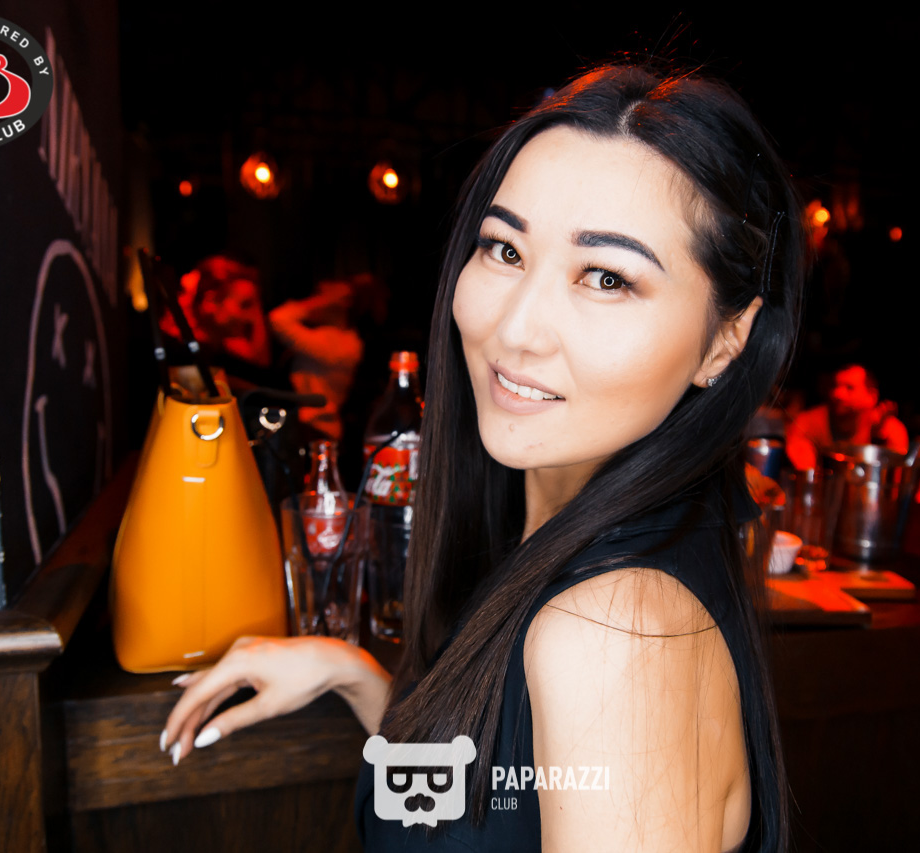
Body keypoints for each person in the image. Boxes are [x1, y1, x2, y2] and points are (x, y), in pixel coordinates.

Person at [160, 64, 803, 853]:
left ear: (726, 340)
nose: (516, 328)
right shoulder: (585, 540)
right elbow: (498, 808)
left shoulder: (613, 635)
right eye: (504, 248)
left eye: (607, 277)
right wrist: (355, 673)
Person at [267, 275, 380, 442]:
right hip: (308, 427)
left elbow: (279, 318)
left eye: (317, 296)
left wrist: (325, 299)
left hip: (317, 430)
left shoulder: (337, 343)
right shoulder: (333, 338)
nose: (311, 301)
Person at [785, 364, 908, 470]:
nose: (837, 394)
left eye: (849, 388)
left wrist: (882, 439)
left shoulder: (886, 427)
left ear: (871, 396)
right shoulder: (808, 422)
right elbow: (804, 468)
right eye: (835, 386)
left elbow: (897, 471)